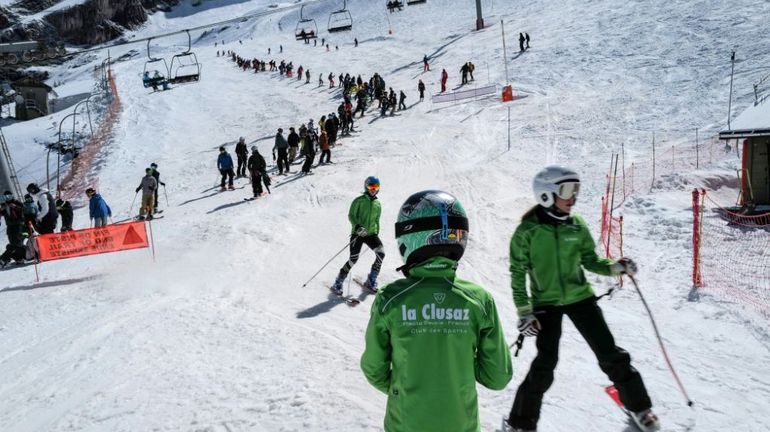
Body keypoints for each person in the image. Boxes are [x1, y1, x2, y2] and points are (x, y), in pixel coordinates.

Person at [505, 166, 659, 432]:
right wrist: (524, 311)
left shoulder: (577, 226)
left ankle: (639, 408)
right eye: (566, 190)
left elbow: (590, 260)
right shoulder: (527, 232)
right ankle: (520, 423)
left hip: (580, 298)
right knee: (545, 364)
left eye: (576, 190)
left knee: (610, 353)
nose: (573, 197)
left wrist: (615, 267)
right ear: (546, 194)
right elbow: (517, 272)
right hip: (546, 304)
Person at [361, 189, 513, 432]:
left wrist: (402, 388)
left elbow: (373, 368)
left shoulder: (391, 300)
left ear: (409, 237)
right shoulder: (479, 301)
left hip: (406, 422)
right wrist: (458, 364)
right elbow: (497, 376)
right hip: (461, 424)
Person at [331, 177, 385, 294]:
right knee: (353, 259)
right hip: (358, 234)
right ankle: (338, 282)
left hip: (371, 234)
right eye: (371, 187)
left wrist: (376, 233)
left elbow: (377, 220)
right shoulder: (359, 201)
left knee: (381, 254)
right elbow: (351, 215)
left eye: (376, 187)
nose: (373, 189)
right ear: (366, 187)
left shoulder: (377, 204)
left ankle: (371, 280)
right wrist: (357, 227)